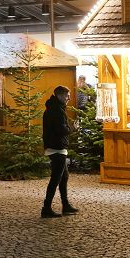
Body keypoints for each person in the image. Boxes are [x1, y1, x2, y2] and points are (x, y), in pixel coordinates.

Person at [42, 86, 78, 218]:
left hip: (56, 146)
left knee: (64, 177)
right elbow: (61, 130)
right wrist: (72, 128)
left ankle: (66, 205)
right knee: (56, 179)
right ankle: (46, 208)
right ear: (60, 95)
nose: (69, 98)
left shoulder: (54, 108)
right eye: (67, 95)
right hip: (56, 147)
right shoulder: (56, 110)